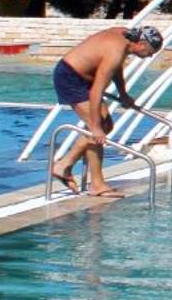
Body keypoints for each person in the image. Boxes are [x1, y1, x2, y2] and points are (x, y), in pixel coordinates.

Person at [51, 25, 164, 198]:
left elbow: (115, 68)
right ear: (141, 44)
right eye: (150, 52)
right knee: (97, 129)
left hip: (81, 76)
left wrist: (123, 93)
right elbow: (96, 91)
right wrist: (95, 126)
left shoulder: (126, 36)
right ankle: (92, 182)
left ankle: (66, 166)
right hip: (70, 77)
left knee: (106, 125)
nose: (149, 56)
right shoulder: (116, 51)